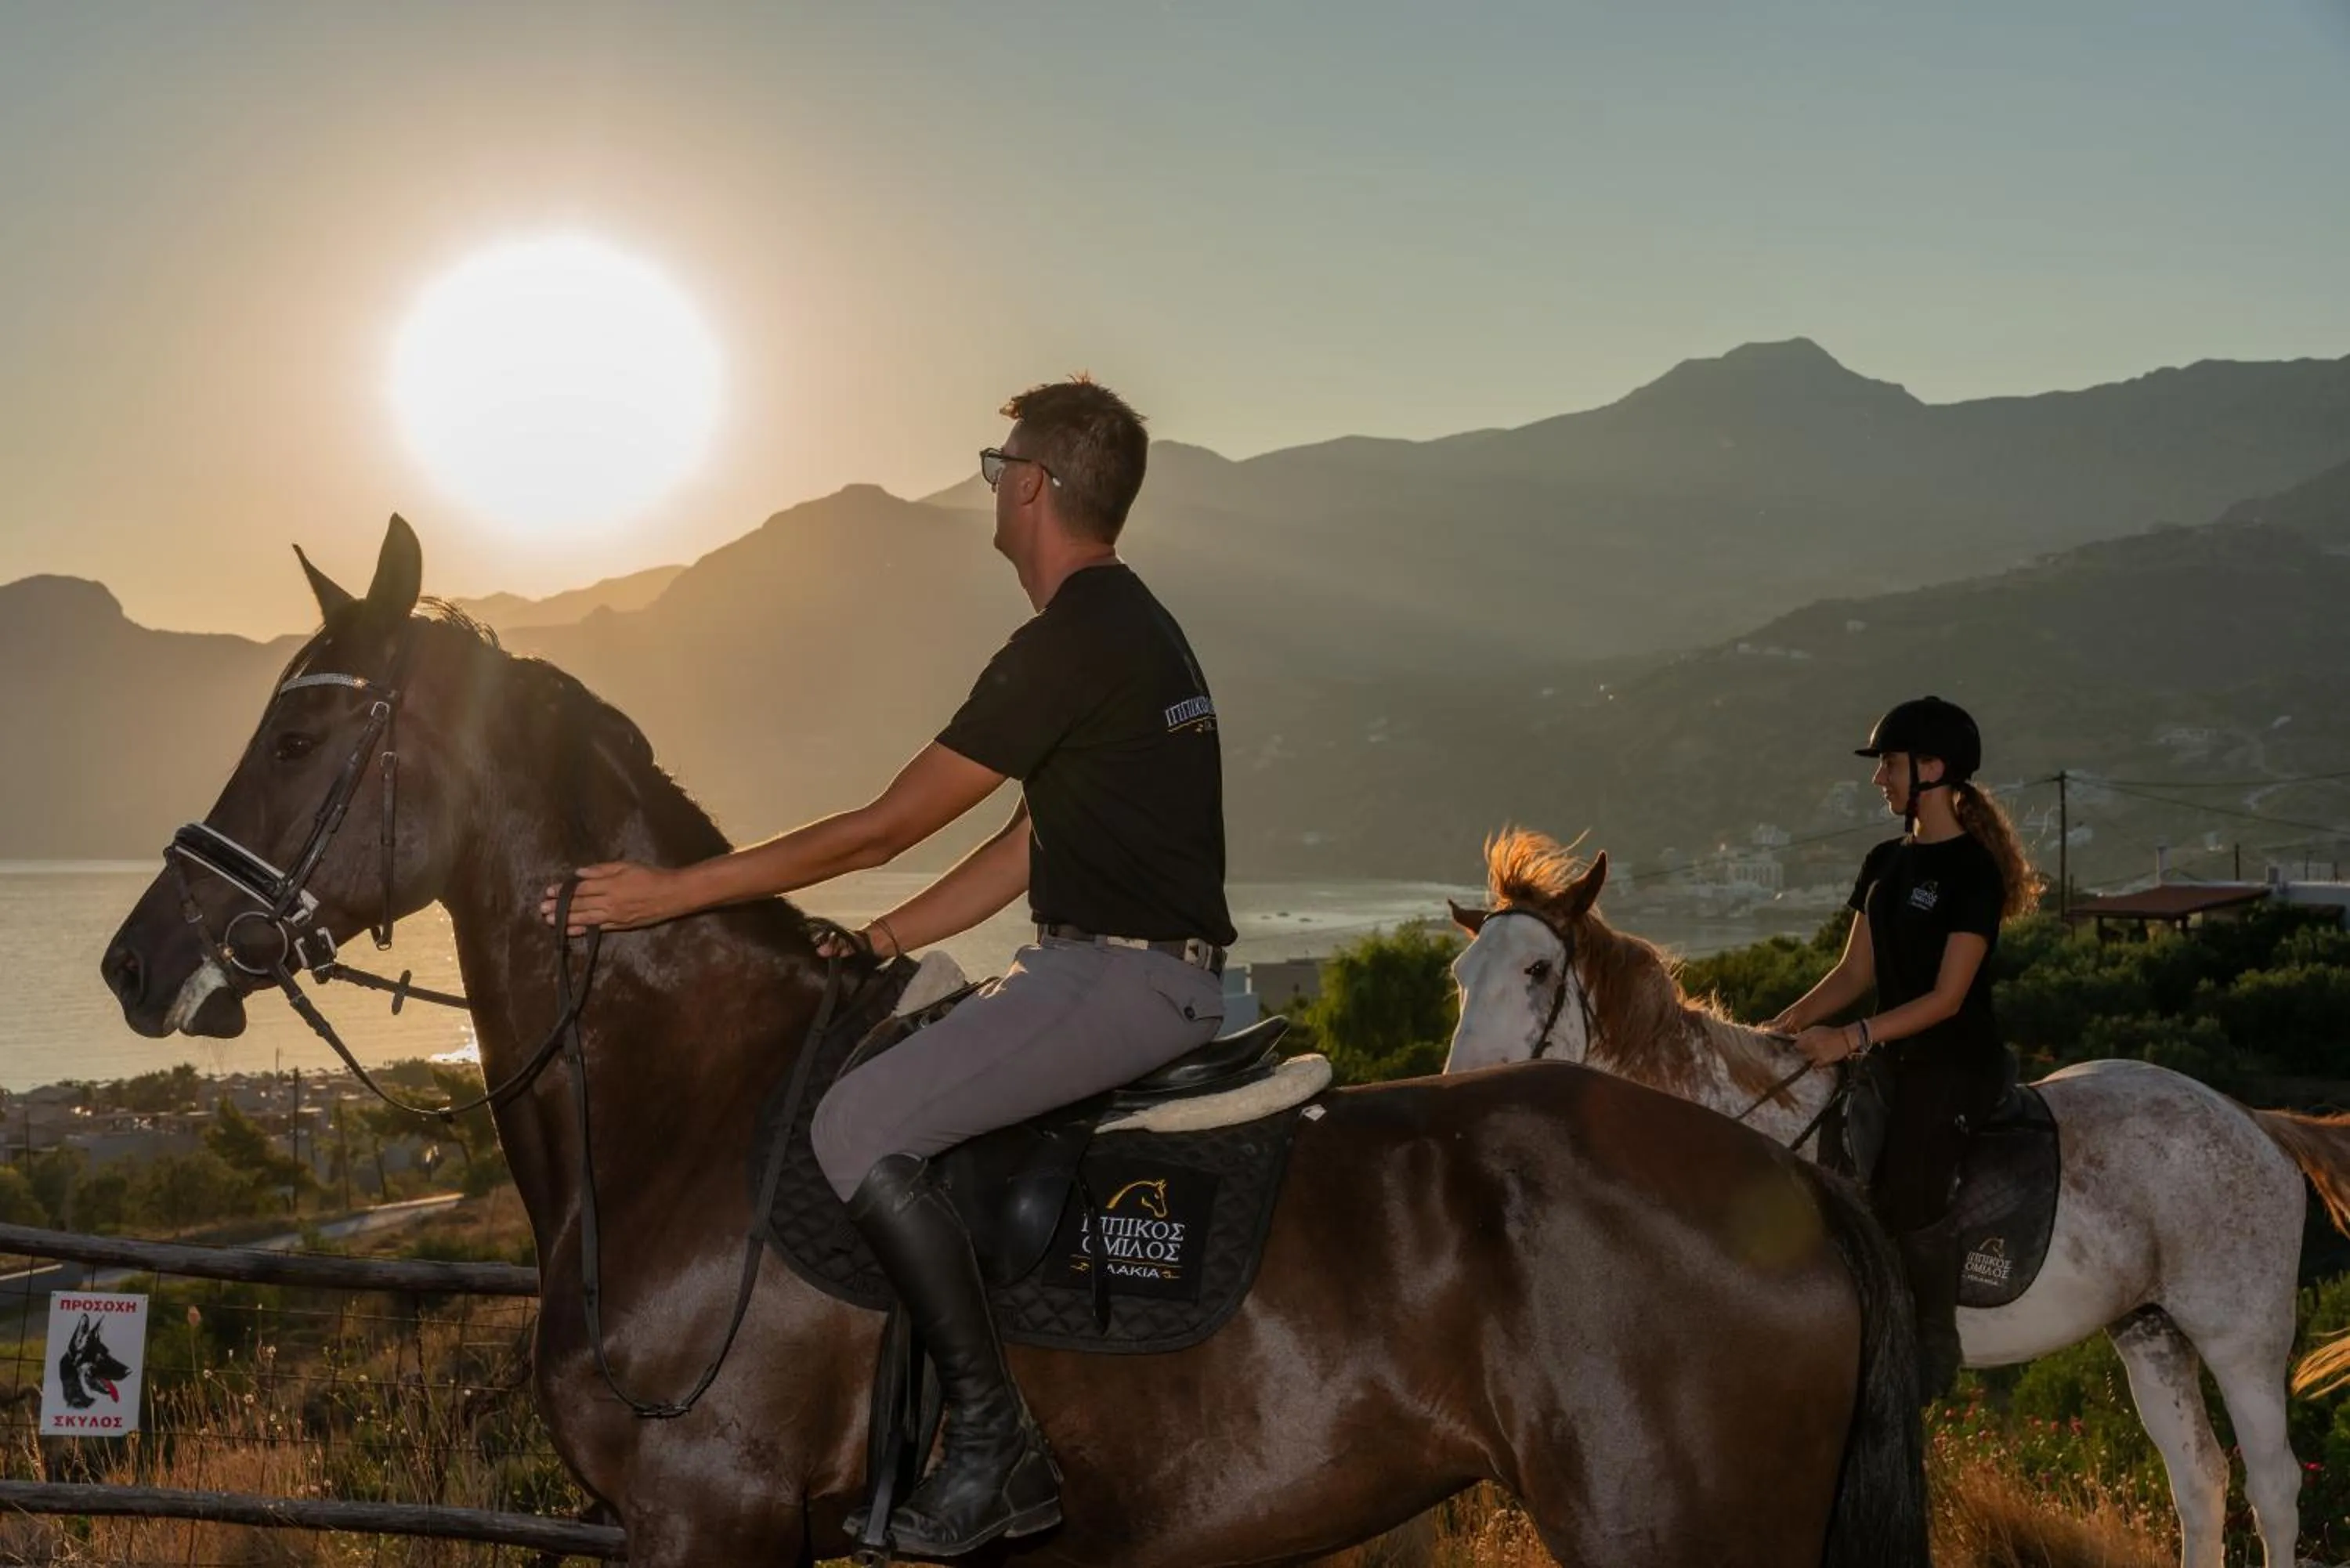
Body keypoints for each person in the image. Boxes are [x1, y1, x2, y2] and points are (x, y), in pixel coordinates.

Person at [540, 375, 1235, 1556]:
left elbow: (879, 825)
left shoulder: (1067, 641)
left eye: (997, 465)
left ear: (1035, 486)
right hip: (1120, 966)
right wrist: (881, 938)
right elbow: (1029, 844)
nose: (993, 485)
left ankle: (991, 1440)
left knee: (857, 1125)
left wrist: (669, 893)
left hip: (1117, 979)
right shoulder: (1135, 627)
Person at [1766, 695, 2036, 1401]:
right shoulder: (1886, 859)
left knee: (1909, 1191)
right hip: (1890, 1054)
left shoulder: (1974, 873)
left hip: (1956, 1063)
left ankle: (1929, 1348)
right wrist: (1779, 1030)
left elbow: (1947, 1000)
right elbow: (1856, 974)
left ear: (1933, 768)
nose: (1878, 778)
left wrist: (1850, 1038)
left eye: (1887, 763)